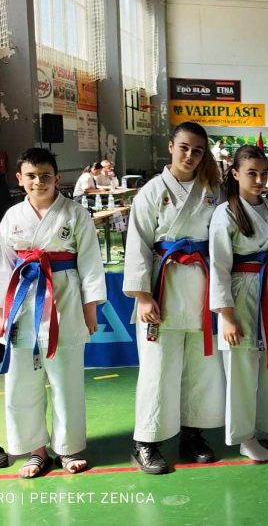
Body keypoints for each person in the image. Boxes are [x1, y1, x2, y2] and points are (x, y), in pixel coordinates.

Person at [124, 121, 225, 474]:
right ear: (170, 147)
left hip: (200, 288)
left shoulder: (212, 190)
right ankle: (145, 441)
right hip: (163, 287)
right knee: (158, 369)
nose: (190, 155)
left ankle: (192, 433)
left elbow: (222, 239)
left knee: (200, 368)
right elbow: (137, 244)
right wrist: (142, 297)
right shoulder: (151, 192)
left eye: (198, 151)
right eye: (184, 147)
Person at [0, 148, 105, 478]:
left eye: (45, 175)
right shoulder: (12, 217)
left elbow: (90, 263)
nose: (39, 182)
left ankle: (67, 447)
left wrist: (91, 309)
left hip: (66, 301)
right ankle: (36, 450)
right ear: (19, 179)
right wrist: (3, 314)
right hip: (22, 303)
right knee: (22, 381)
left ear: (57, 178)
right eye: (31, 176)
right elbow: (3, 267)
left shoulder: (75, 214)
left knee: (66, 379)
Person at [208, 145, 268, 462]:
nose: (259, 180)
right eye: (251, 173)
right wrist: (226, 316)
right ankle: (244, 437)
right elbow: (219, 266)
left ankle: (267, 425)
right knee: (242, 368)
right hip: (241, 294)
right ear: (235, 174)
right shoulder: (225, 213)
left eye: (263, 173)